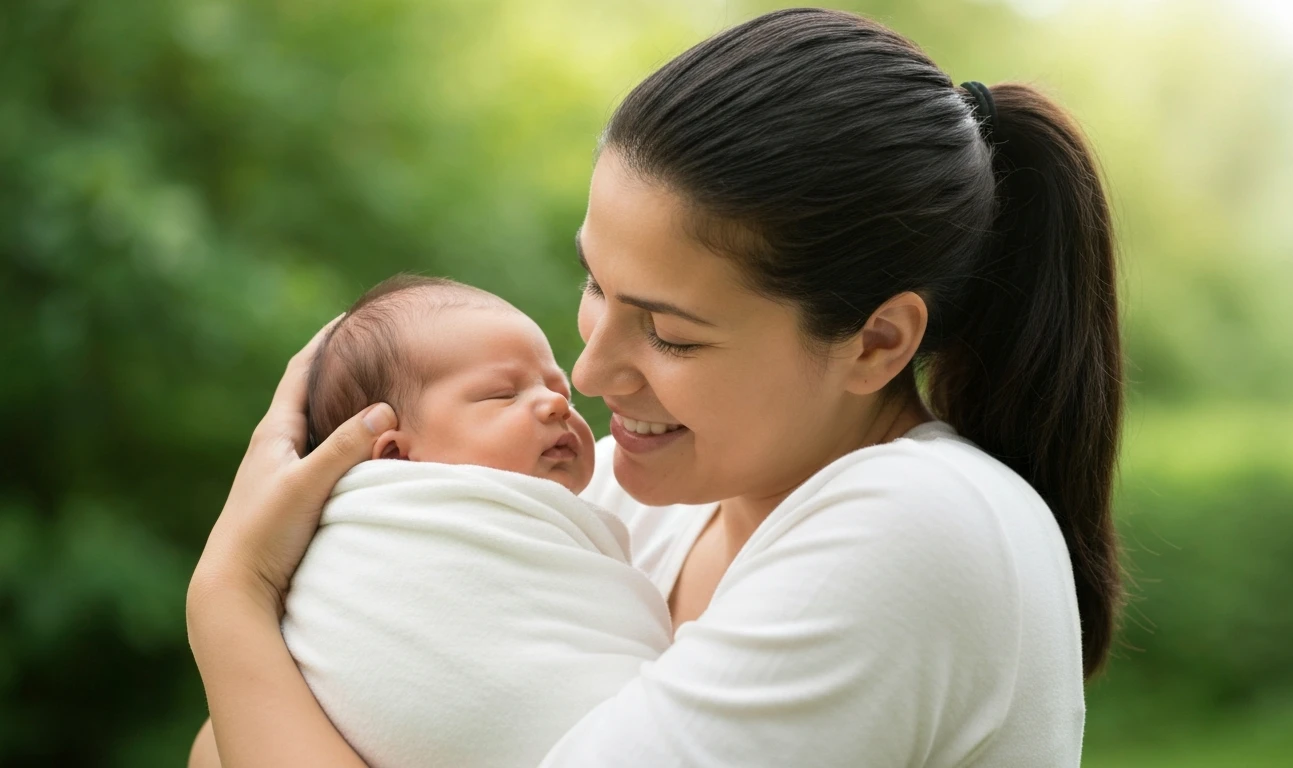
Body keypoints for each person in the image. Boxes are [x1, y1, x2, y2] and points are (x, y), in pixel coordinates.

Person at [187, 8, 1123, 767]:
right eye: (596, 283)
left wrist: (232, 603)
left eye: (670, 334)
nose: (586, 373)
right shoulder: (618, 506)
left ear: (876, 342)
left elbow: (259, 719)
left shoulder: (917, 527)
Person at [282, 274, 671, 767]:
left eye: (559, 391)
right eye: (503, 395)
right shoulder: (377, 533)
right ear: (396, 457)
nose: (556, 404)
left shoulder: (587, 508)